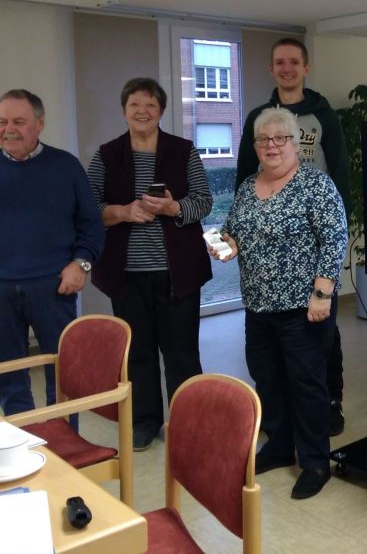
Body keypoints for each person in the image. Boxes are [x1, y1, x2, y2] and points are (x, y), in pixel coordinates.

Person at [212, 107, 347, 499]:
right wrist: (225, 245)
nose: (271, 146)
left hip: (304, 307)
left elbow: (334, 240)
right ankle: (281, 444)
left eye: (280, 138)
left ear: (295, 143)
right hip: (257, 306)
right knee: (268, 377)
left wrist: (322, 294)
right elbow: (234, 232)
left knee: (306, 383)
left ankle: (315, 460)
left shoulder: (315, 186)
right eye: (263, 140)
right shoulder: (247, 187)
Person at [87, 77, 213, 451]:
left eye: (151, 105)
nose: (142, 111)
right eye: (134, 105)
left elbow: (204, 201)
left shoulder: (183, 150)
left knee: (182, 353)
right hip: (126, 276)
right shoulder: (107, 154)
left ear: (161, 110)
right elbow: (88, 209)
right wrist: (122, 212)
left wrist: (173, 208)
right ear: (124, 110)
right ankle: (145, 421)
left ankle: (188, 421)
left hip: (178, 274)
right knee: (138, 352)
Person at [236, 37, 351, 436]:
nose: (286, 69)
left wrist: (333, 256)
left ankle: (328, 407)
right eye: (279, 63)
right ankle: (282, 427)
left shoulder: (324, 117)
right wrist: (237, 230)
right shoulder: (259, 117)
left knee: (322, 343)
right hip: (268, 270)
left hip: (317, 247)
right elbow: (244, 179)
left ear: (306, 68)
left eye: (294, 62)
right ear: (271, 69)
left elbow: (340, 176)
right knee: (271, 356)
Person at [0, 89, 103, 415]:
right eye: (2, 122)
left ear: (40, 124)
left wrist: (81, 265)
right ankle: (23, 443)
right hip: (1, 289)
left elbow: (92, 226)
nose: (9, 129)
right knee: (8, 375)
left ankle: (63, 446)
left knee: (61, 374)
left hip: (54, 286)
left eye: (19, 121)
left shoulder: (65, 166)